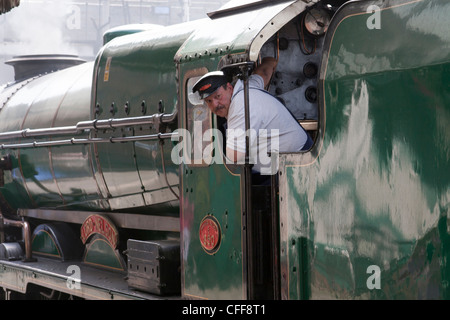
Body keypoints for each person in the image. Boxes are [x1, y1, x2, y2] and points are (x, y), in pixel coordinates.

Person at [192, 57, 312, 178]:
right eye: (209, 101)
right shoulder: (246, 87)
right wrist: (268, 60)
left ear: (229, 88)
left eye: (218, 96)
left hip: (294, 167)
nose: (215, 105)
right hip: (294, 158)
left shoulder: (239, 106)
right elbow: (266, 69)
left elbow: (234, 158)